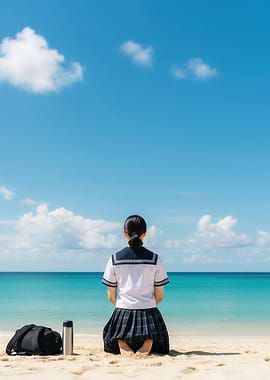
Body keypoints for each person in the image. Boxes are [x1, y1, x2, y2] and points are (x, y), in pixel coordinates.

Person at [101, 214, 170, 355]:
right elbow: (160, 297)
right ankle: (148, 341)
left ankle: (122, 342)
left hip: (122, 316)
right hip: (149, 315)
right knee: (158, 340)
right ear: (145, 234)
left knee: (111, 337)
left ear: (125, 234)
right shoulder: (155, 259)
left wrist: (126, 307)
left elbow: (111, 296)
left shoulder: (114, 259)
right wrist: (144, 305)